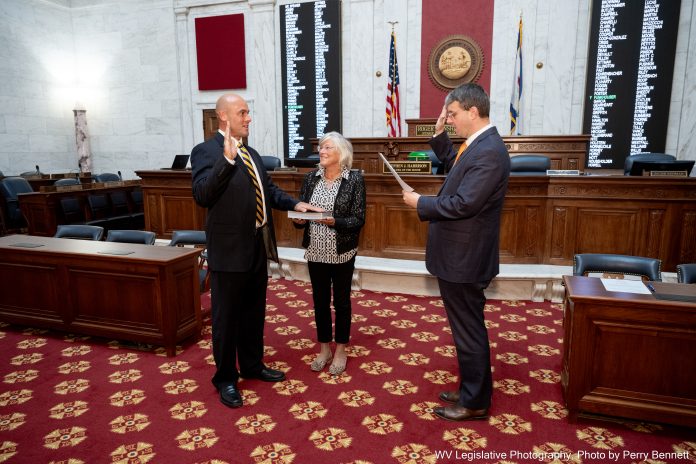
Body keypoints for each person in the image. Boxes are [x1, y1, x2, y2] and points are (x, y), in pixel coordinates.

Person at [191, 93, 320, 408]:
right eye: (242, 112)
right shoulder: (206, 151)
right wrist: (227, 160)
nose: (248, 118)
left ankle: (251, 365)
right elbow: (203, 194)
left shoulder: (253, 153)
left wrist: (295, 203)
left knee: (252, 314)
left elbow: (269, 190)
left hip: (256, 248)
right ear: (223, 117)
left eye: (248, 112)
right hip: (228, 251)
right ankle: (225, 378)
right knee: (225, 320)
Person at [402, 83, 510, 421]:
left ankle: (475, 401)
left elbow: (465, 203)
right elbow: (455, 167)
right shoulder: (477, 146)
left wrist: (421, 202)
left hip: (466, 259)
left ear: (472, 112)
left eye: (452, 114)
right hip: (459, 256)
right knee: (465, 328)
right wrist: (438, 137)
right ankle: (470, 388)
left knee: (468, 330)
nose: (449, 120)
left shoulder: (490, 151)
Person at [292, 132, 366, 376]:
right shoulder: (310, 178)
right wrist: (300, 221)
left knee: (342, 302)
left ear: (341, 154)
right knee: (320, 302)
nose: (322, 152)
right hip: (316, 251)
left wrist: (334, 221)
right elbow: (302, 209)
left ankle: (341, 349)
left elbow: (358, 219)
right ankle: (324, 348)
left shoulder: (354, 180)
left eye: (328, 148)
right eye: (321, 148)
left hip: (342, 251)